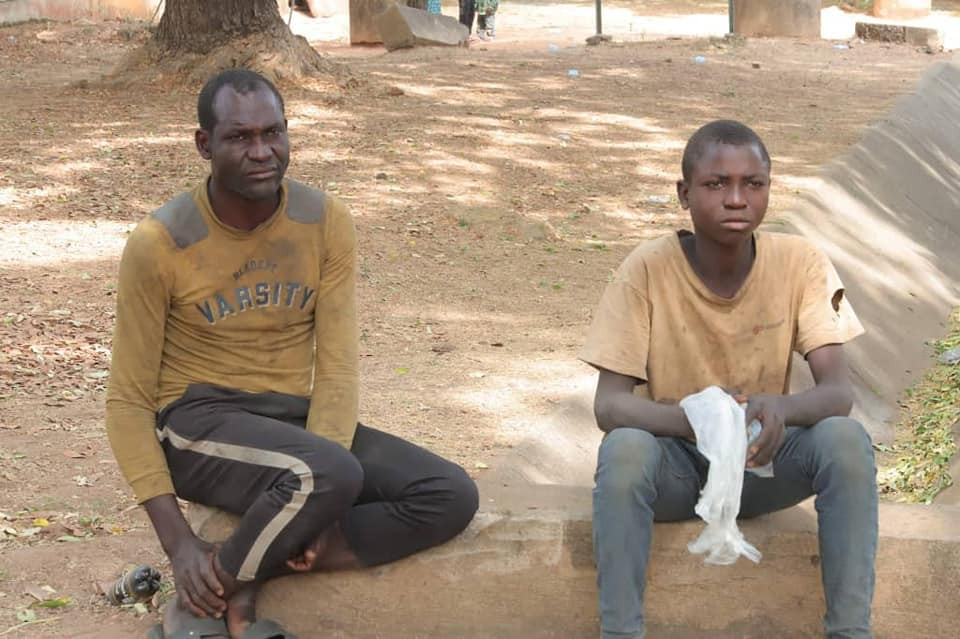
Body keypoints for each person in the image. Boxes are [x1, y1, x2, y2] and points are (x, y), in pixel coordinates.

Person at [105, 68, 479, 639]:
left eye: (273, 133)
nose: (262, 152)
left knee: (448, 494)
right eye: (239, 137)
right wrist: (177, 541)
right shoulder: (160, 242)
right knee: (327, 468)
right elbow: (129, 400)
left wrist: (320, 513)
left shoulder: (324, 221)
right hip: (197, 423)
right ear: (204, 145)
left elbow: (336, 365)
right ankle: (220, 597)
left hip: (290, 423)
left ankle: (222, 588)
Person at [580, 120, 877, 639]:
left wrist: (778, 410)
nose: (736, 199)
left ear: (768, 190)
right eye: (717, 184)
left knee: (846, 442)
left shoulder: (800, 262)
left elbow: (837, 394)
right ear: (684, 193)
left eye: (753, 184)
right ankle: (619, 633)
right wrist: (701, 419)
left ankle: (850, 631)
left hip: (759, 462)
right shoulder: (647, 269)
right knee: (625, 449)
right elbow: (610, 406)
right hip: (675, 468)